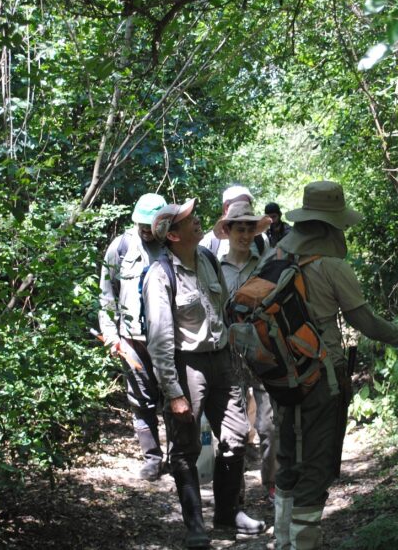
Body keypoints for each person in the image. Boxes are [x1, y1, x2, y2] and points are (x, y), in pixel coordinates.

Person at [271, 181, 398, 550]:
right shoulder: (331, 266)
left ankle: (283, 540)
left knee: (290, 458)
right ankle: (303, 543)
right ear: (329, 225)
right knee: (317, 464)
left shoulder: (275, 256)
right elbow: (365, 323)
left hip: (281, 374)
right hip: (321, 376)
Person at [143, 198, 267, 548]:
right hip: (187, 366)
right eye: (188, 220)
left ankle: (228, 514)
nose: (197, 222)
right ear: (173, 235)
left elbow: (224, 311)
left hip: (221, 361)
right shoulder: (160, 275)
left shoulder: (209, 260)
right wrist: (173, 391)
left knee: (237, 436)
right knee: (185, 448)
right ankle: (195, 525)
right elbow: (160, 338)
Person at [98, 192, 168, 481]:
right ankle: (152, 458)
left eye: (150, 224)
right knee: (140, 400)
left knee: (178, 399)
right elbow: (106, 295)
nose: (144, 229)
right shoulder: (121, 247)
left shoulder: (176, 246)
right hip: (132, 339)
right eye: (141, 223)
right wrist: (111, 334)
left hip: (170, 340)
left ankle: (180, 458)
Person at [212, 201, 279, 500]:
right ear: (227, 231)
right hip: (228, 355)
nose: (245, 235)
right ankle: (233, 495)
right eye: (239, 228)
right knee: (232, 430)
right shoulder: (214, 267)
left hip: (263, 352)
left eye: (250, 229)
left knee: (269, 425)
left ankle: (272, 485)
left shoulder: (266, 264)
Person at [200, 185, 266, 258]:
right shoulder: (210, 243)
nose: (244, 208)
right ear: (226, 207)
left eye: (247, 204)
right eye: (239, 204)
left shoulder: (262, 240)